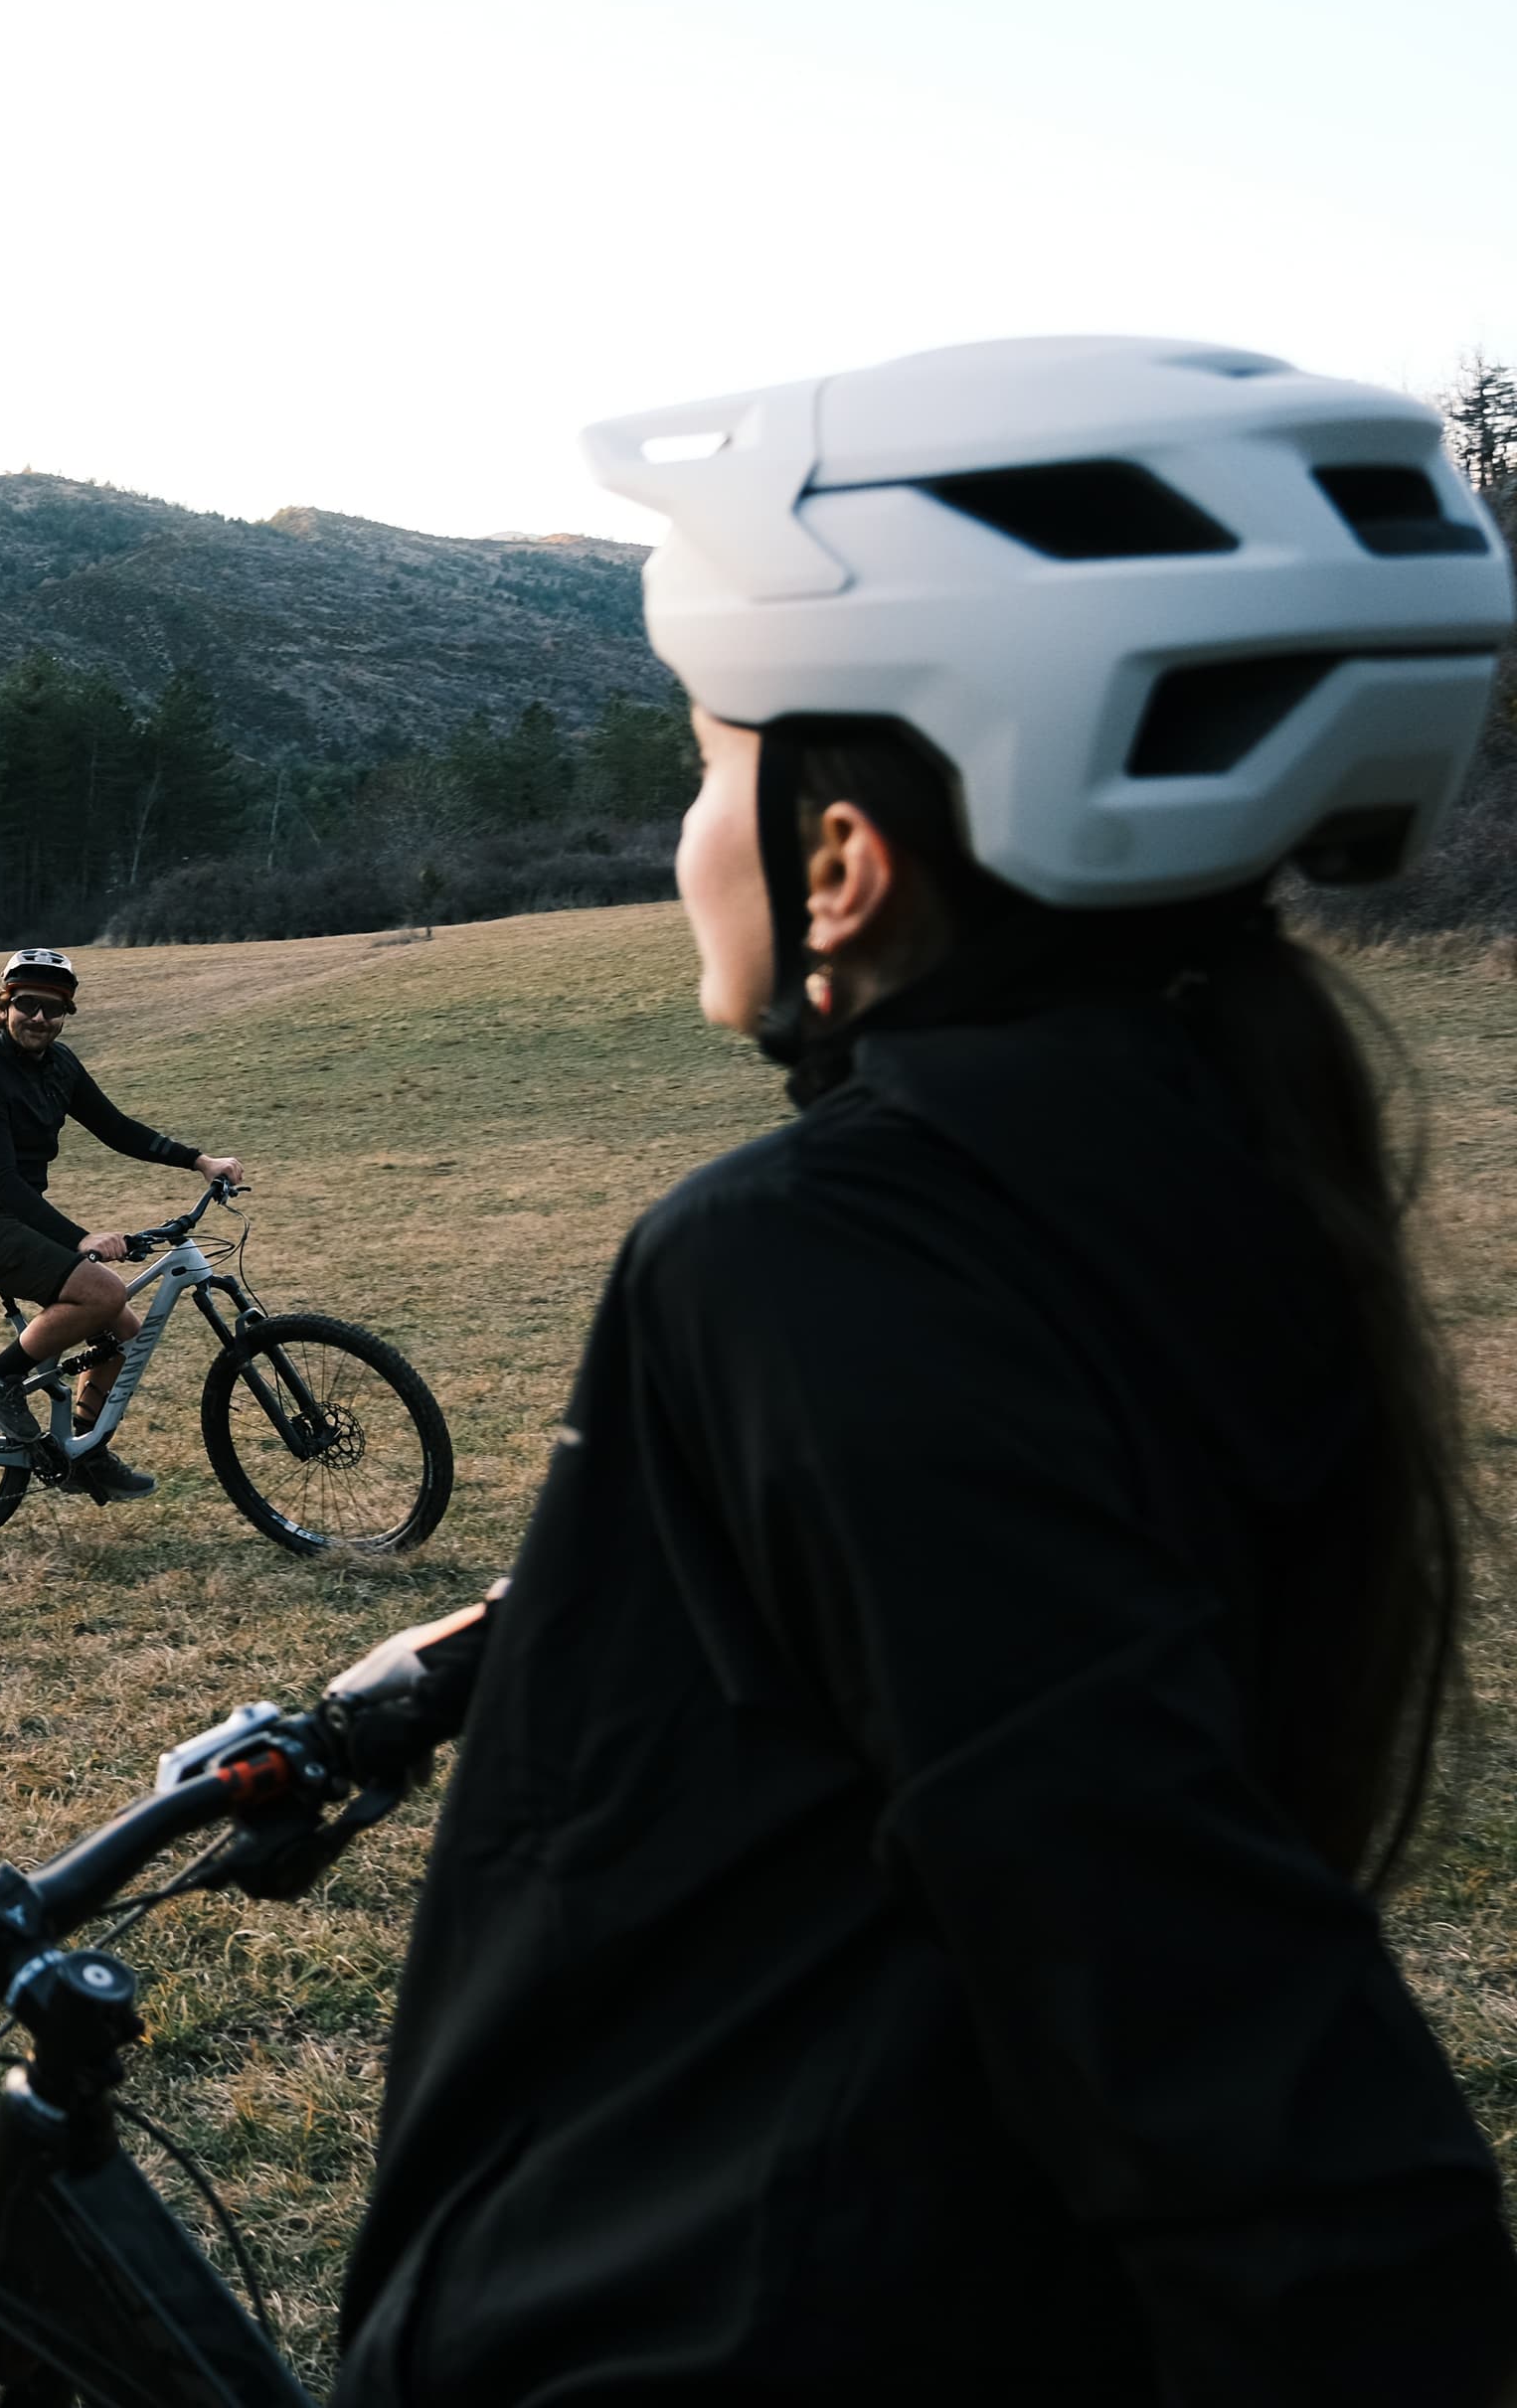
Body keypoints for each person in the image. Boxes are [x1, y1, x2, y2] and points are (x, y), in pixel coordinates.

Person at [333, 338, 1517, 2401]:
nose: (686, 823)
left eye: (711, 757)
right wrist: (503, 1642)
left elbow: (1187, 1980)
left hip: (715, 2311)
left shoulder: (811, 1252)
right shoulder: (1212, 1155)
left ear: (847, 855)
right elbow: (982, 1592)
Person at [0, 946, 243, 1503]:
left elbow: (115, 1127)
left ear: (67, 1013)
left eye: (54, 1009)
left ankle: (81, 1453)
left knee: (121, 1329)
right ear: (4, 1006)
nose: (40, 1019)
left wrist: (199, 1161)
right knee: (103, 1291)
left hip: (18, 1218)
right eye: (27, 1004)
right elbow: (1, 1181)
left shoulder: (60, 1065)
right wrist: (79, 1238)